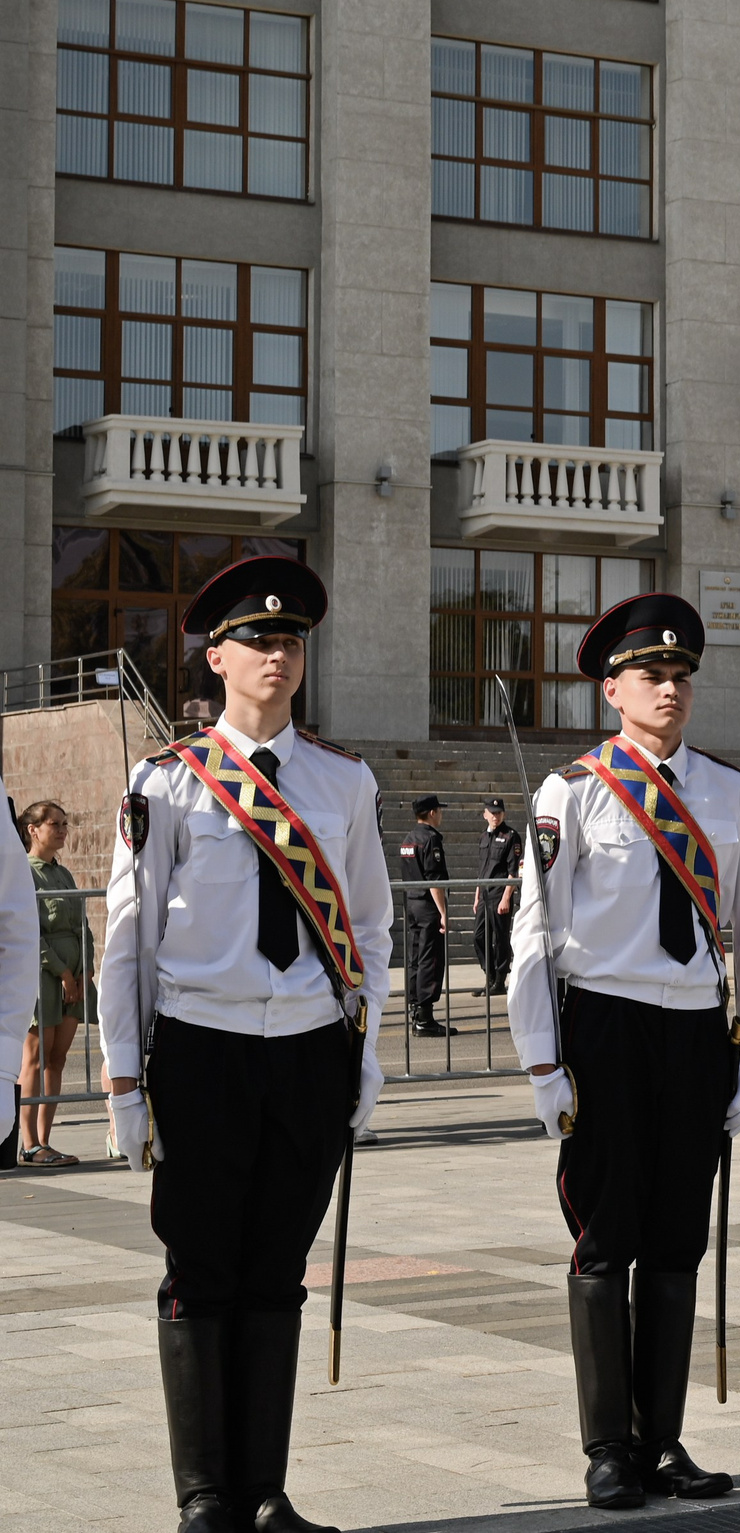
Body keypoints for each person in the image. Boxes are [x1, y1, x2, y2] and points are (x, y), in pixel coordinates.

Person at [98, 555, 390, 1533]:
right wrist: (126, 1082)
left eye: (291, 638)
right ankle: (204, 1496)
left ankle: (265, 1493)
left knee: (276, 1271)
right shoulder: (168, 784)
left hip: (307, 1052)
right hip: (202, 1051)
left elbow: (371, 927)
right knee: (200, 1269)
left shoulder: (343, 780)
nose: (278, 652)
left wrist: (366, 1051)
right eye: (258, 638)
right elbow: (128, 939)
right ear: (215, 654)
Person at [508, 592, 740, 1509]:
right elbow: (535, 942)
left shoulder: (730, 792)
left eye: (680, 674)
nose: (669, 687)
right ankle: (609, 1447)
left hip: (695, 1030)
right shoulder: (575, 791)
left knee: (676, 1243)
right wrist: (545, 1064)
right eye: (651, 674)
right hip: (606, 1028)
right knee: (604, 1239)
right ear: (612, 690)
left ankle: (662, 1440)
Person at [18, 800, 87, 1167]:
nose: (61, 830)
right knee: (36, 1057)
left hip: (73, 977)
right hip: (46, 976)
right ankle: (28, 1142)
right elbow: (33, 932)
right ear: (33, 829)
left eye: (65, 823)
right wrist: (61, 971)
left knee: (57, 1060)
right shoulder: (25, 873)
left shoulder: (64, 874)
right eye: (54, 824)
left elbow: (82, 923)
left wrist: (83, 969)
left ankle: (45, 1140)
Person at [397, 795, 451, 1037]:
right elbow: (434, 880)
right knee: (430, 959)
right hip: (428, 906)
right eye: (439, 810)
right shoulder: (430, 840)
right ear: (431, 813)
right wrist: (443, 912)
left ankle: (415, 1009)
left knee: (416, 958)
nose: (441, 815)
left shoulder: (408, 839)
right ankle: (425, 1018)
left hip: (411, 902)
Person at [473, 798, 521, 998]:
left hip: (500, 894)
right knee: (479, 936)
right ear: (485, 814)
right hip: (484, 894)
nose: (495, 816)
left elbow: (514, 871)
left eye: (499, 812)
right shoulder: (484, 837)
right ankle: (489, 976)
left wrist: (506, 897)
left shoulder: (511, 836)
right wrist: (476, 896)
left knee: (500, 938)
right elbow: (482, 870)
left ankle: (500, 980)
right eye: (492, 813)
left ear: (504, 814)